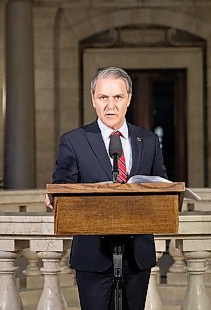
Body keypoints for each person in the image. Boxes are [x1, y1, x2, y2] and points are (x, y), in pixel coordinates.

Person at [48, 67, 167, 310]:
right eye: (103, 97)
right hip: (93, 256)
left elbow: (161, 186)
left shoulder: (149, 141)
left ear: (129, 99)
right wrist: (56, 193)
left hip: (137, 256)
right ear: (93, 100)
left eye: (117, 97)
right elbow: (62, 186)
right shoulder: (74, 141)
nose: (110, 105)